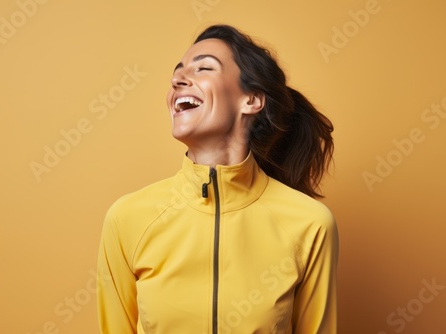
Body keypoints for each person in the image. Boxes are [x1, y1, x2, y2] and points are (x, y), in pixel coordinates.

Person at [97, 24, 338, 334]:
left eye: (204, 68)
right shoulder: (127, 218)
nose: (177, 79)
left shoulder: (310, 223)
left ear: (251, 100)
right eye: (178, 72)